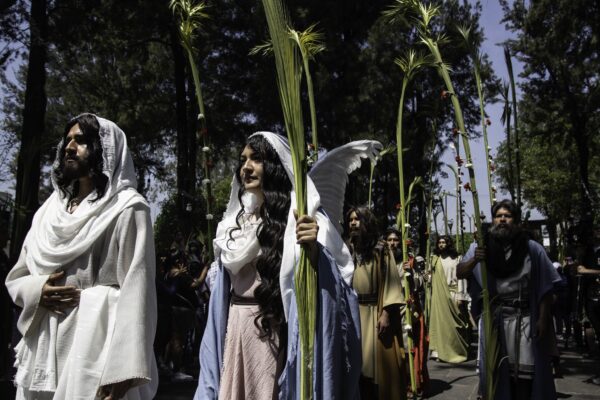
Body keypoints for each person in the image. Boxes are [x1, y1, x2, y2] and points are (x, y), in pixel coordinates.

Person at [195, 132, 361, 400]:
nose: (245, 167)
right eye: (243, 160)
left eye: (256, 159)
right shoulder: (235, 225)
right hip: (235, 331)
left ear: (274, 165)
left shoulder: (301, 220)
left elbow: (337, 287)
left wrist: (314, 253)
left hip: (272, 338)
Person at [5, 114, 158, 400]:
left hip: (95, 349)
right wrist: (38, 290)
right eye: (68, 140)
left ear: (106, 150)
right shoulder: (48, 212)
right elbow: (18, 276)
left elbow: (138, 292)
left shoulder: (128, 209)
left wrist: (123, 369)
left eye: (82, 141)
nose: (69, 147)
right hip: (43, 344)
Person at [457, 199, 560, 400]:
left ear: (516, 221)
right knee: (497, 372)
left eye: (508, 216)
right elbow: (460, 272)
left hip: (525, 318)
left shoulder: (532, 248)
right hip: (495, 319)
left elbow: (547, 287)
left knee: (524, 374)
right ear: (493, 220)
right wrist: (474, 260)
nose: (502, 219)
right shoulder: (480, 247)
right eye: (498, 216)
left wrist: (543, 318)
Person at [347, 208, 406, 399]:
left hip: (374, 311)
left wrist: (386, 313)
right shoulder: (346, 248)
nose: (353, 223)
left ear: (367, 222)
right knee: (356, 365)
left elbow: (391, 281)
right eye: (351, 220)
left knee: (376, 366)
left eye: (358, 219)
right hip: (352, 311)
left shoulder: (381, 249)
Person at [384, 227, 429, 396]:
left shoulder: (409, 260)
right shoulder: (381, 260)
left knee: (406, 348)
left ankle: (410, 384)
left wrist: (410, 272)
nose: (393, 243)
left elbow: (419, 284)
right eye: (389, 240)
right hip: (387, 310)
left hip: (405, 310)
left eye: (395, 240)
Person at [429, 235, 470, 363]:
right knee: (439, 323)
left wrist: (460, 295)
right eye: (439, 242)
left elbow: (461, 278)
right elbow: (432, 277)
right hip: (439, 295)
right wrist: (427, 278)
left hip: (453, 294)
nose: (441, 244)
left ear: (449, 244)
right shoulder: (434, 259)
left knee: (454, 324)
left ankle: (454, 350)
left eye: (444, 242)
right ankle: (438, 352)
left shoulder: (457, 258)